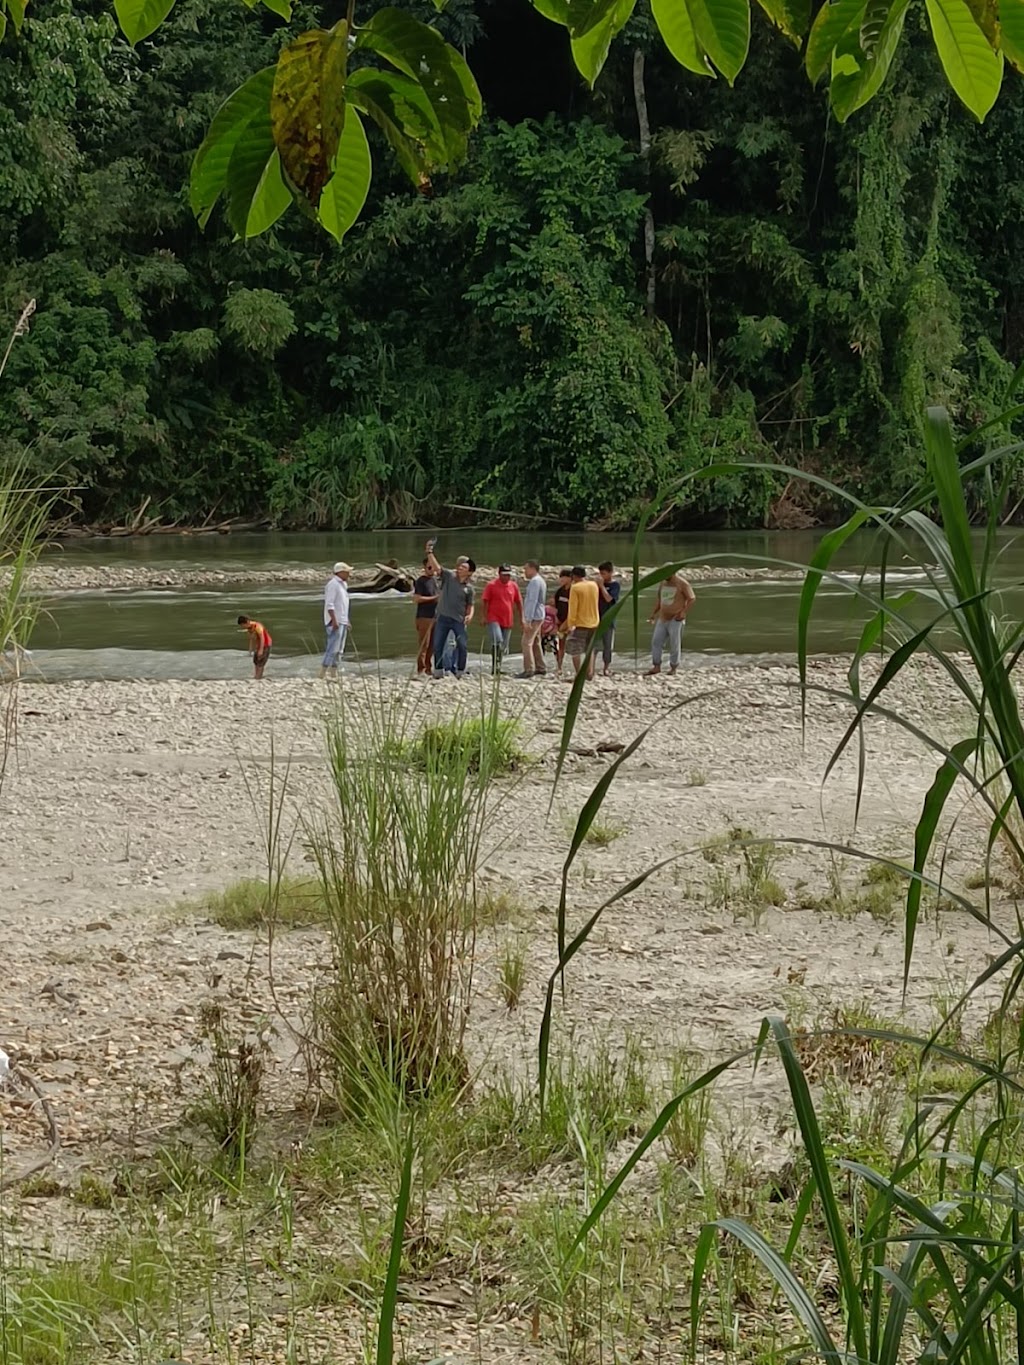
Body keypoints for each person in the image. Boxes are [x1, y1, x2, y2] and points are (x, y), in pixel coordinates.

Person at [426, 541, 475, 677]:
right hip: (443, 617)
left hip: (458, 620)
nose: (460, 568)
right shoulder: (449, 576)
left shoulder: (469, 589)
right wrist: (429, 552)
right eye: (459, 566)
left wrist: (470, 615)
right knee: (438, 645)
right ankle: (438, 671)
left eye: (464, 567)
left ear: (469, 572)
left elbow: (470, 605)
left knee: (462, 645)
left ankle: (460, 671)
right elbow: (437, 568)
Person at [646, 571, 695, 675]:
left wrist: (683, 612)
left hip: (676, 618)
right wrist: (653, 614)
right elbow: (660, 600)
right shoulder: (663, 583)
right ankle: (656, 666)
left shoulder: (682, 583)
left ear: (673, 572)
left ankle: (673, 667)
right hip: (663, 618)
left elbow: (691, 598)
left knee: (674, 643)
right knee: (656, 641)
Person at [481, 564, 522, 675]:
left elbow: (519, 602)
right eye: (504, 575)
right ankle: (494, 668)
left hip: (507, 619)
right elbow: (485, 601)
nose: (507, 577)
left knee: (503, 646)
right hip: (493, 618)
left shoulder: (513, 586)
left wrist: (521, 618)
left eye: (509, 575)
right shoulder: (491, 585)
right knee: (497, 640)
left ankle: (498, 667)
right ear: (499, 574)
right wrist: (484, 616)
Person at [565, 565, 600, 681]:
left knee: (575, 650)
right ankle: (590, 673)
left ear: (573, 576)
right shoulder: (594, 585)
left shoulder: (575, 588)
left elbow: (573, 608)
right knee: (590, 649)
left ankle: (579, 674)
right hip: (594, 622)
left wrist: (570, 624)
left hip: (581, 623)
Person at [321, 561, 351, 678]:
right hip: (335, 621)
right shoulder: (333, 584)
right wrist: (334, 620)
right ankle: (322, 672)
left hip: (342, 620)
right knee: (332, 648)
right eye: (347, 572)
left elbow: (343, 605)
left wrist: (347, 620)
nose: (349, 574)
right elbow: (330, 604)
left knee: (340, 649)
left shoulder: (343, 585)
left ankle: (334, 672)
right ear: (340, 572)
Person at [518, 559, 547, 678]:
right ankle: (541, 667)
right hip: (539, 614)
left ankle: (529, 669)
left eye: (526, 569)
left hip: (534, 616)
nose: (524, 571)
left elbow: (532, 601)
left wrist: (527, 619)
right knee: (535, 641)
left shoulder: (535, 582)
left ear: (532, 568)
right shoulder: (540, 580)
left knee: (526, 642)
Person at [412, 557, 439, 675]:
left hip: (436, 616)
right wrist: (434, 598)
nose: (431, 569)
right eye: (429, 567)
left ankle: (428, 668)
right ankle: (421, 669)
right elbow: (416, 599)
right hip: (424, 617)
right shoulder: (421, 581)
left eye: (433, 567)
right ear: (424, 567)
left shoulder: (436, 580)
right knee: (424, 644)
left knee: (432, 645)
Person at [595, 561, 621, 677]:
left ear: (610, 573)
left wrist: (601, 586)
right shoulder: (596, 585)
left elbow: (609, 599)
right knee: (594, 645)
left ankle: (606, 668)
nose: (601, 576)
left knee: (607, 646)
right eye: (600, 573)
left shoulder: (615, 586)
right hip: (596, 619)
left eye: (604, 574)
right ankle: (591, 667)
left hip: (609, 620)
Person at [237, 615, 272, 680]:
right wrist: (250, 649)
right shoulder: (249, 628)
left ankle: (259, 676)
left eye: (242, 625)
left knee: (261, 661)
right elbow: (251, 638)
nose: (242, 627)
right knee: (256, 661)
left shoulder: (257, 626)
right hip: (258, 644)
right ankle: (256, 675)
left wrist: (261, 650)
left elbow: (262, 638)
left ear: (247, 622)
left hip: (266, 643)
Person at [552, 568, 572, 674]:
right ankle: (559, 666)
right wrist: (556, 618)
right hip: (560, 621)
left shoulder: (573, 591)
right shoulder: (560, 591)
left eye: (563, 577)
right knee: (561, 644)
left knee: (574, 644)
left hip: (571, 622)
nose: (561, 580)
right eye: (561, 577)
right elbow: (555, 604)